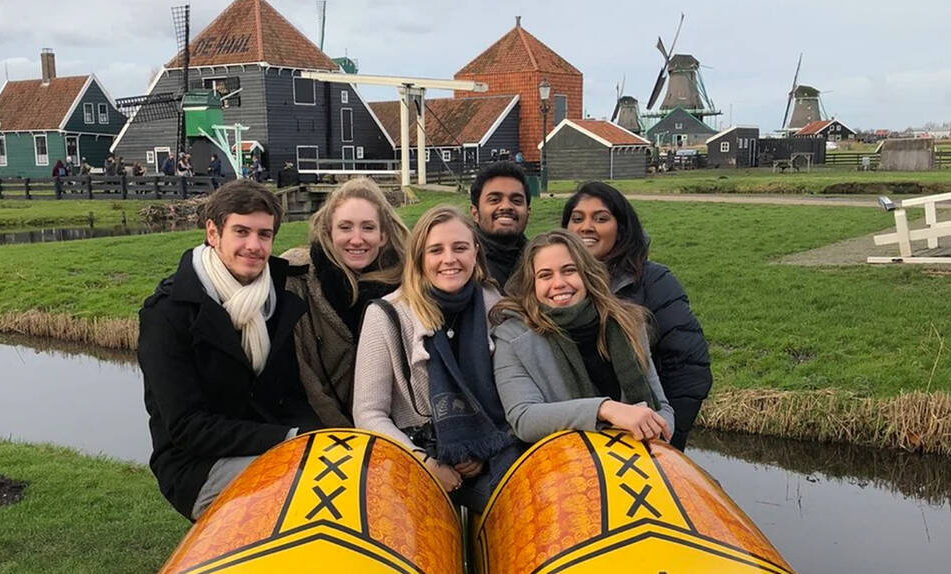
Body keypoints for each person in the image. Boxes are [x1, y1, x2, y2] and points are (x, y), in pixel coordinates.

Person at [137, 181, 320, 520]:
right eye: (241, 231)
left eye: (264, 235)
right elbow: (187, 427)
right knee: (305, 489)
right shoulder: (166, 314)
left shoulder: (274, 303)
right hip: (195, 465)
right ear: (213, 232)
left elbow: (291, 396)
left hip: (270, 445)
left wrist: (311, 437)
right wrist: (290, 438)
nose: (254, 245)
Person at [353, 206, 521, 512]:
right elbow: (368, 413)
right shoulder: (387, 314)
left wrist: (481, 450)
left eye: (460, 248)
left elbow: (515, 398)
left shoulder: (496, 309)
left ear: (475, 252)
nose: (449, 259)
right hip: (414, 459)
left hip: (492, 456)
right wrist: (426, 463)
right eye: (435, 250)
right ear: (419, 259)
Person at [561, 182, 711, 451]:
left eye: (601, 218)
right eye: (577, 218)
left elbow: (689, 367)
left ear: (621, 228)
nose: (586, 227)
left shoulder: (654, 281)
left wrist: (668, 440)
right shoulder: (555, 287)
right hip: (575, 438)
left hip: (644, 438)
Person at [491, 230, 673, 445]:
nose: (558, 283)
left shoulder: (627, 322)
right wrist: (604, 409)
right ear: (532, 285)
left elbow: (661, 407)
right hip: (561, 463)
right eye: (545, 275)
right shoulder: (513, 338)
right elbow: (523, 419)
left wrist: (657, 430)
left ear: (586, 275)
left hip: (634, 458)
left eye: (569, 270)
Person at [283, 178, 409, 427]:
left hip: (395, 433)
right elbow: (303, 376)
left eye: (368, 228)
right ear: (329, 232)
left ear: (383, 236)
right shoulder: (297, 282)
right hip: (322, 432)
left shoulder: (408, 285)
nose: (357, 239)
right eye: (346, 227)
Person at [469, 161, 531, 290]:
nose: (506, 206)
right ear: (475, 213)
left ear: (528, 212)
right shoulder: (464, 263)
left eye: (516, 201)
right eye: (494, 200)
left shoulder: (539, 260)